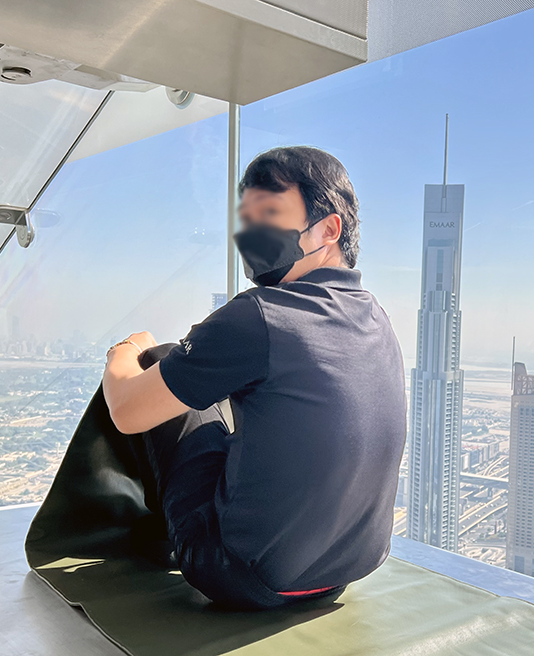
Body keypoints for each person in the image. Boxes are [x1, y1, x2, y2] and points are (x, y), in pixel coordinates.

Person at [100, 146, 406, 610]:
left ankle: (137, 537)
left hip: (242, 576)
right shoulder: (376, 316)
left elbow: (126, 411)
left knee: (157, 364)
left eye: (269, 213)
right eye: (246, 219)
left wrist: (124, 351)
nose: (250, 233)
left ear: (329, 229)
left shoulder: (260, 314)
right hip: (342, 572)